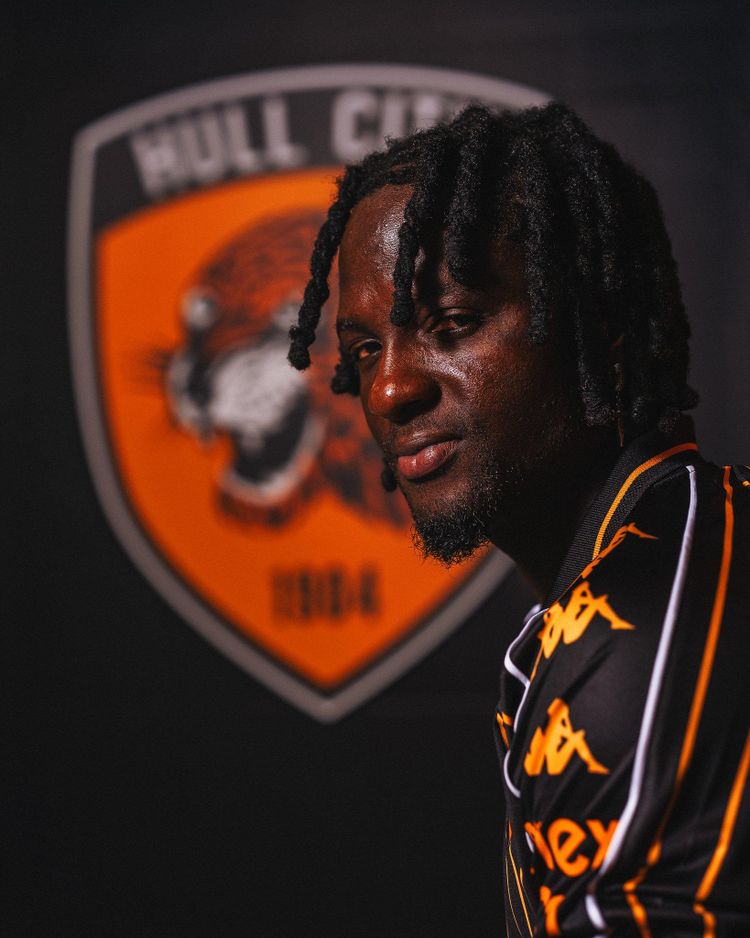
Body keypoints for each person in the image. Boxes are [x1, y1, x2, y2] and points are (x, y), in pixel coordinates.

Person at [287, 103, 749, 936]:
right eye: (363, 351)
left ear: (600, 325)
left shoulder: (637, 635)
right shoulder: (675, 549)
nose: (388, 390)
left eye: (452, 323)